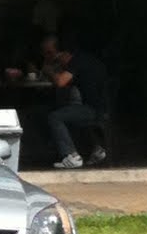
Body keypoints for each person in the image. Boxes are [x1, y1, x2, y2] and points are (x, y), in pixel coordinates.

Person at [42, 30, 110, 169]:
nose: (51, 58)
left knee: (55, 117)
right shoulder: (85, 59)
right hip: (99, 106)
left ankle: (71, 156)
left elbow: (61, 81)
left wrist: (49, 71)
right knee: (67, 110)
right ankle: (96, 149)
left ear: (63, 53)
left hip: (94, 109)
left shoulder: (77, 61)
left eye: (51, 54)